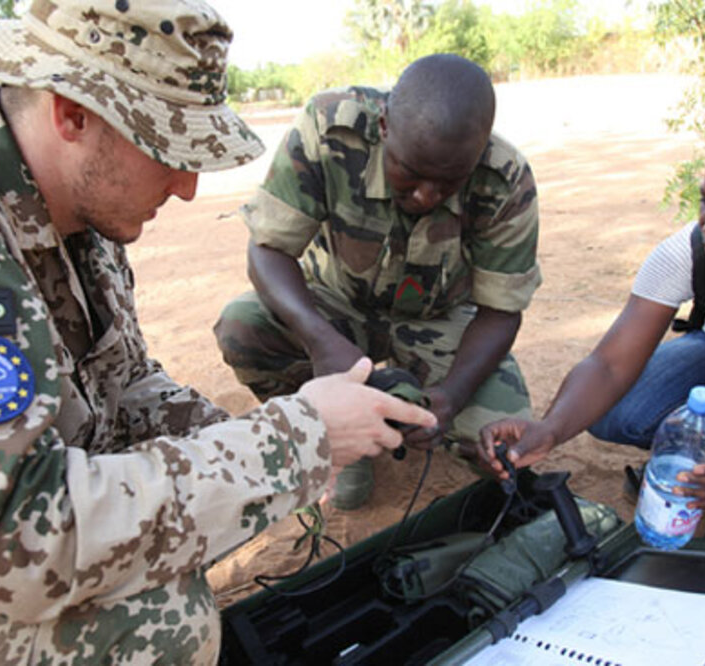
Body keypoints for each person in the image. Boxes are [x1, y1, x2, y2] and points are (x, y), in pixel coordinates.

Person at [0, 0, 437, 663]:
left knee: (209, 512)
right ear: (73, 115)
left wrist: (280, 437)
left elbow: (121, 388)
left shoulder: (75, 205)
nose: (187, 187)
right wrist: (296, 442)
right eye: (170, 149)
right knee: (147, 616)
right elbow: (27, 541)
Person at [480, 84, 705, 553]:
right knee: (617, 408)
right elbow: (610, 365)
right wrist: (552, 428)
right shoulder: (691, 251)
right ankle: (693, 453)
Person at [213, 53, 541, 509]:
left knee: (498, 438)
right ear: (384, 126)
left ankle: (396, 415)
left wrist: (451, 396)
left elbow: (502, 311)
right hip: (335, 303)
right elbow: (268, 249)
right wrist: (318, 338)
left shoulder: (505, 178)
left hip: (440, 318)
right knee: (243, 326)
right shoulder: (330, 129)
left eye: (448, 183)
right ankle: (337, 432)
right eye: (410, 173)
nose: (426, 196)